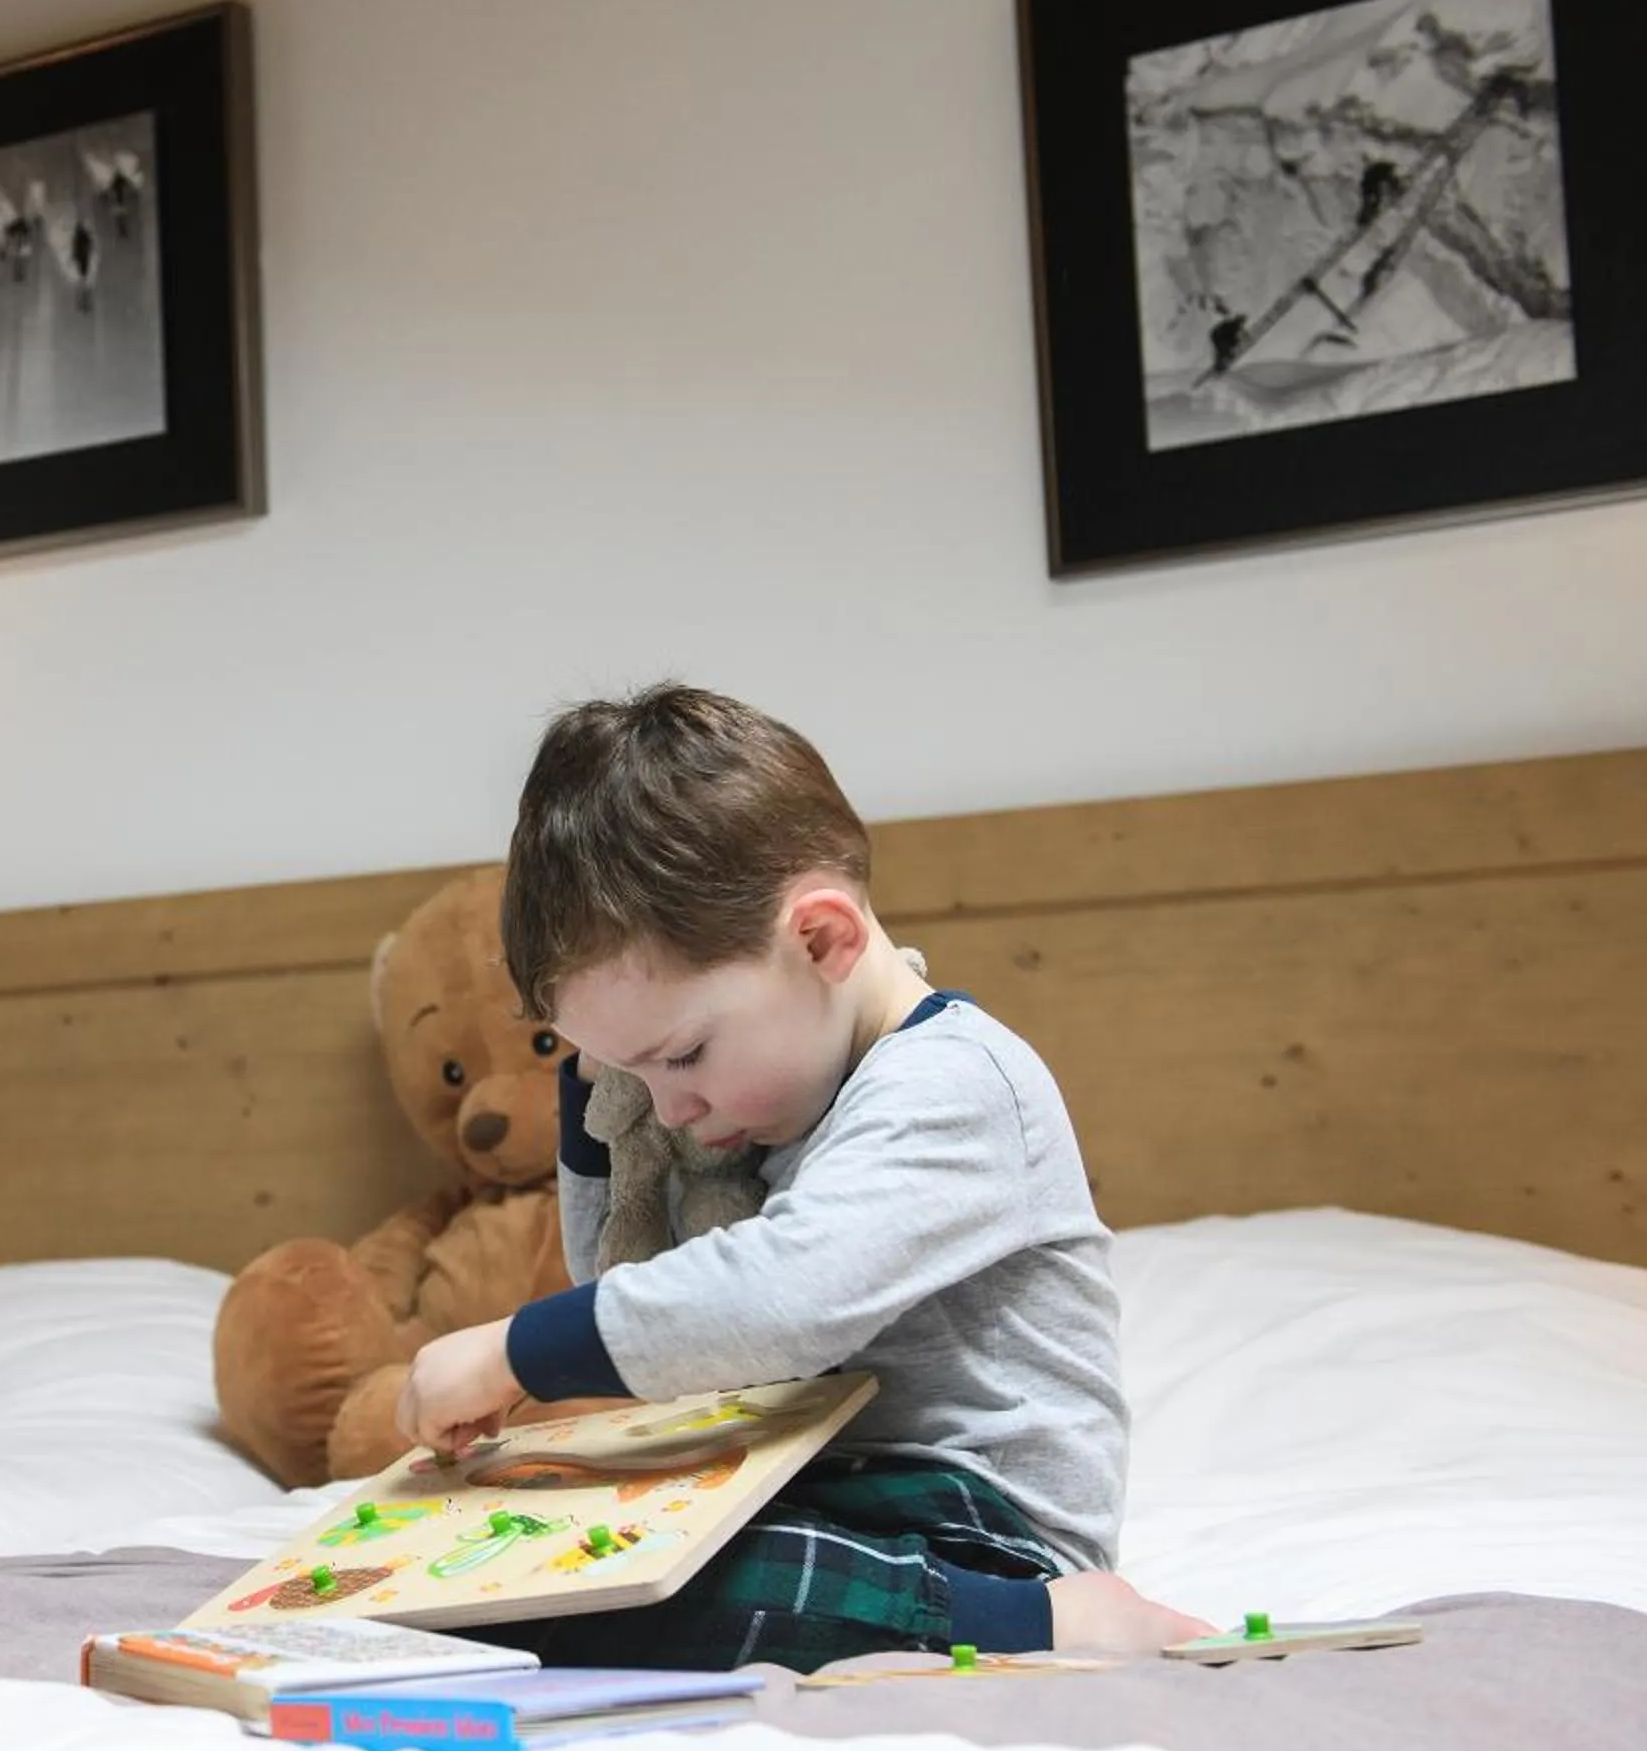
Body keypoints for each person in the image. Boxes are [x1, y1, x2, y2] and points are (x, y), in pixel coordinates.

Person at [394, 683, 1211, 1670]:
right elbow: (631, 1290)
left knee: (623, 1596)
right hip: (788, 1479)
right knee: (520, 1568)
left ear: (822, 940)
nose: (669, 1109)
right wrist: (596, 1107)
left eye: (684, 1053)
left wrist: (513, 1351)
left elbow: (782, 1296)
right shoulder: (725, 1105)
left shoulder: (955, 1081)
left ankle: (1048, 1625)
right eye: (628, 1071)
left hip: (975, 1522)